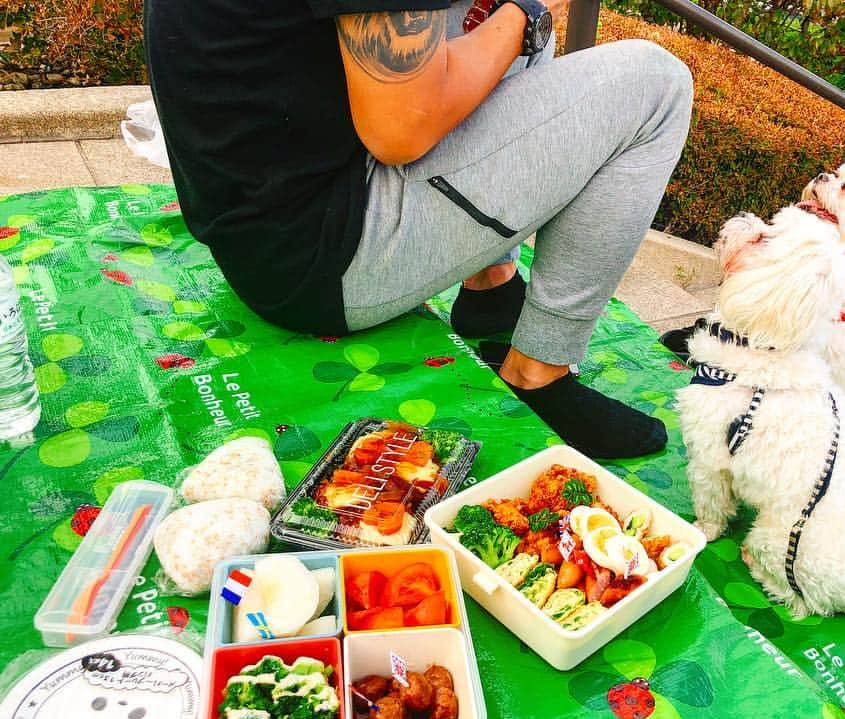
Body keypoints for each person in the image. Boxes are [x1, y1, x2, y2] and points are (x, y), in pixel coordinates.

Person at [144, 0, 693, 458]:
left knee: (496, 16)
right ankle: (538, 374)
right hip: (321, 263)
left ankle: (490, 286)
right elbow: (400, 129)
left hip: (265, 225)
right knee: (655, 83)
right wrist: (525, 17)